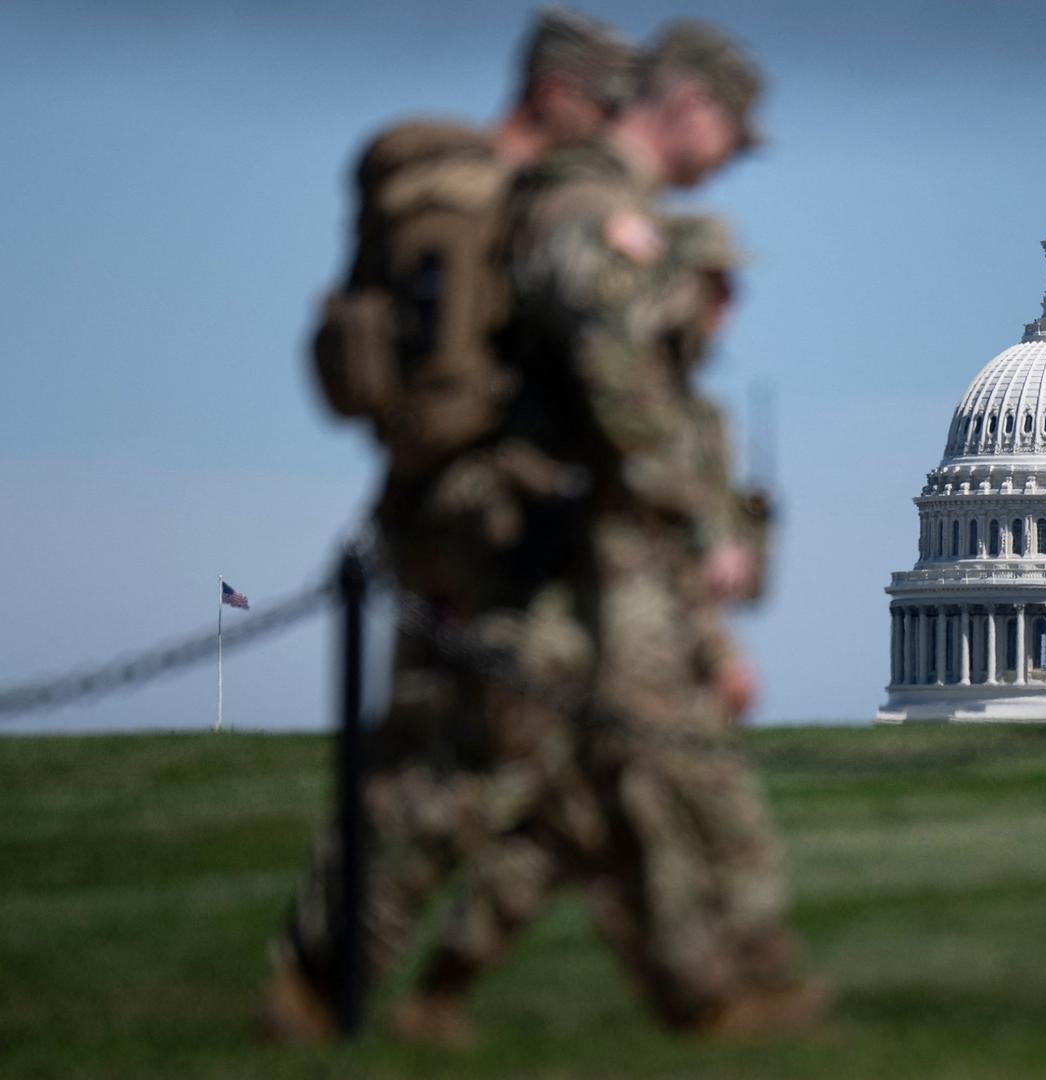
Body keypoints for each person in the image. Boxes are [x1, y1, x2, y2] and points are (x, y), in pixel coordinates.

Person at [384, 22, 820, 1044]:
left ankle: (709, 994)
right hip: (582, 577)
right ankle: (336, 980)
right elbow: (615, 400)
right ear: (691, 108)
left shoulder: (673, 357)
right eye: (715, 286)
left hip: (607, 579)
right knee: (534, 791)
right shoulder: (591, 217)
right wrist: (700, 540)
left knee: (576, 816)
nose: (727, 306)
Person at [264, 8, 636, 1042]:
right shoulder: (509, 206)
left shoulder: (411, 190)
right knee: (495, 758)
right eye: (601, 105)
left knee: (418, 748)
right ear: (558, 93)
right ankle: (338, 981)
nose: (606, 129)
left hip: (412, 494)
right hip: (493, 509)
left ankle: (355, 983)